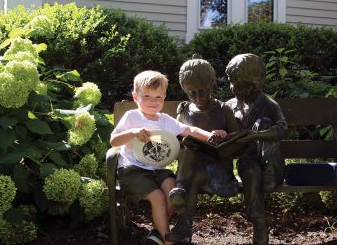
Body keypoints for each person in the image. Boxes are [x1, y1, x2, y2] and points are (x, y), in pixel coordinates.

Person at [110, 70, 226, 245]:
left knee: (173, 190)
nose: (153, 102)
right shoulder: (132, 117)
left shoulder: (164, 120)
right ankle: (167, 240)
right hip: (132, 170)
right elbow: (114, 140)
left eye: (158, 97)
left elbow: (189, 130)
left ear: (164, 97)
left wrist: (210, 135)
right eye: (147, 96)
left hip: (157, 170)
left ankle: (158, 233)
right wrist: (133, 132)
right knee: (157, 197)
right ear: (135, 97)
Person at [165, 56, 240, 243]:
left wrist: (224, 135)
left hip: (218, 169)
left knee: (193, 180)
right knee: (188, 151)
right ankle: (181, 195)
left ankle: (184, 224)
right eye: (192, 92)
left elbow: (239, 141)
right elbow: (178, 142)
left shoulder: (223, 109)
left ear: (212, 84)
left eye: (203, 91)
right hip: (193, 166)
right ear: (184, 88)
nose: (198, 96)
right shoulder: (184, 111)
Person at [225, 53, 288, 245]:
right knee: (251, 172)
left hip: (272, 163)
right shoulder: (230, 106)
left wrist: (256, 135)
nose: (231, 87)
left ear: (250, 84)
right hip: (248, 159)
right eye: (230, 82)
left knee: (264, 123)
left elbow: (282, 128)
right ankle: (259, 223)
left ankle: (269, 171)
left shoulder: (267, 103)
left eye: (234, 82)